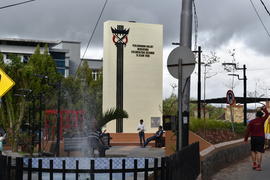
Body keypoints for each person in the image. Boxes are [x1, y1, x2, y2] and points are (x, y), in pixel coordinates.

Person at [244, 106, 269, 171]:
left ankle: (254, 164)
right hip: (261, 138)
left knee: (253, 151)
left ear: (256, 115)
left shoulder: (252, 122)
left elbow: (248, 131)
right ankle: (259, 166)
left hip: (254, 138)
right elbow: (267, 114)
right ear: (261, 115)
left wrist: (245, 139)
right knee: (259, 152)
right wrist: (264, 109)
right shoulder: (262, 120)